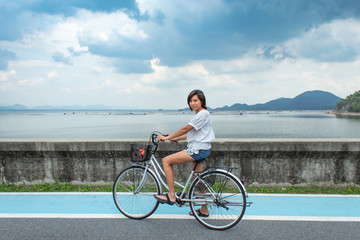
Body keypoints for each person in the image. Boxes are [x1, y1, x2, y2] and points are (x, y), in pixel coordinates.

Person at [154, 89, 215, 217]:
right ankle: (204, 209)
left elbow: (185, 129)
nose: (192, 103)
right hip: (202, 149)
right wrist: (173, 138)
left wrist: (165, 138)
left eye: (195, 100)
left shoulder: (202, 114)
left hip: (197, 150)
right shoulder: (201, 115)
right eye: (190, 101)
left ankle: (171, 195)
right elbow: (191, 135)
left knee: (166, 161)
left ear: (202, 101)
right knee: (197, 179)